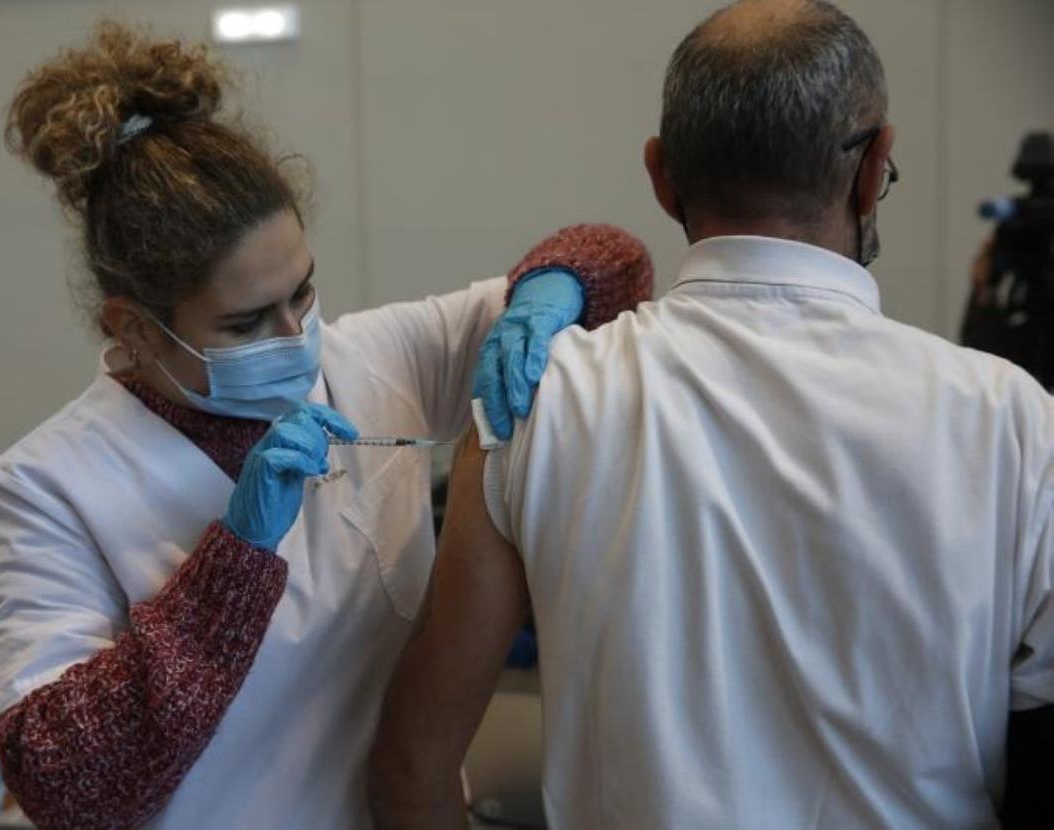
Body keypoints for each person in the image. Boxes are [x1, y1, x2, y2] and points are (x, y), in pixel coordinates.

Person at [368, 1, 1054, 828]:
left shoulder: (535, 404)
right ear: (876, 169)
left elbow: (412, 770)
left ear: (661, 176)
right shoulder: (1013, 424)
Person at [0, 21, 650, 830]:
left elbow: (609, 259)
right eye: (245, 323)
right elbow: (65, 785)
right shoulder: (48, 486)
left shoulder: (370, 360)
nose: (296, 336)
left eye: (302, 291)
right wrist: (234, 563)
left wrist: (552, 293)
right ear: (134, 328)